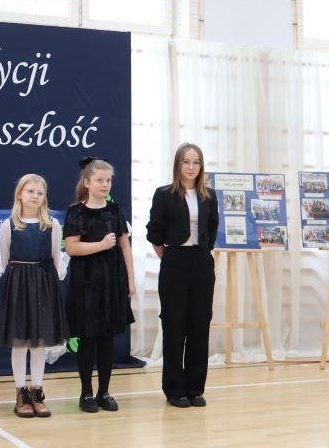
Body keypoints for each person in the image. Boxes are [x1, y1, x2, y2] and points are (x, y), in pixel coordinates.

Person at [146, 143, 219, 408]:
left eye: (196, 162)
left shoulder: (209, 195)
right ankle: (174, 389)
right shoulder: (164, 194)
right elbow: (154, 234)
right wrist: (171, 259)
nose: (191, 167)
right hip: (174, 261)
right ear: (178, 164)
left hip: (202, 262)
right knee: (175, 326)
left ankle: (195, 388)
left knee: (199, 326)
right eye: (186, 162)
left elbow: (212, 231)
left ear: (201, 166)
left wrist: (199, 256)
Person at [64, 158, 135, 413]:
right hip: (86, 284)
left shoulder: (115, 210)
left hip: (112, 282)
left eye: (108, 180)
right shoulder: (76, 212)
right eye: (99, 180)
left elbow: (125, 246)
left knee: (107, 339)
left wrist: (131, 279)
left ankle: (104, 392)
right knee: (88, 339)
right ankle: (86, 393)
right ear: (87, 182)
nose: (105, 184)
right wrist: (101, 245)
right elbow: (72, 248)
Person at [0, 174, 70, 418]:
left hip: (43, 285)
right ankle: (21, 393)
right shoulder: (9, 225)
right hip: (18, 285)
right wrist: (19, 280)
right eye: (30, 191)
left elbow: (55, 259)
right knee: (20, 342)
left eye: (40, 193)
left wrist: (45, 284)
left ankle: (37, 392)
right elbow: (6, 260)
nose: (35, 196)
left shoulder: (52, 225)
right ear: (20, 193)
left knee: (38, 344)